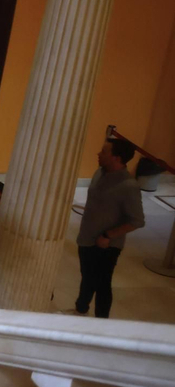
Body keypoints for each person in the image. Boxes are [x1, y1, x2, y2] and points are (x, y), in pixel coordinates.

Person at [73, 136, 146, 318]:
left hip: (106, 246)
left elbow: (137, 220)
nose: (99, 154)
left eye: (104, 151)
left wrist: (108, 235)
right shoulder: (100, 172)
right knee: (87, 277)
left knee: (102, 284)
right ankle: (81, 308)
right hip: (87, 239)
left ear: (117, 158)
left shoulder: (128, 186)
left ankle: (102, 323)